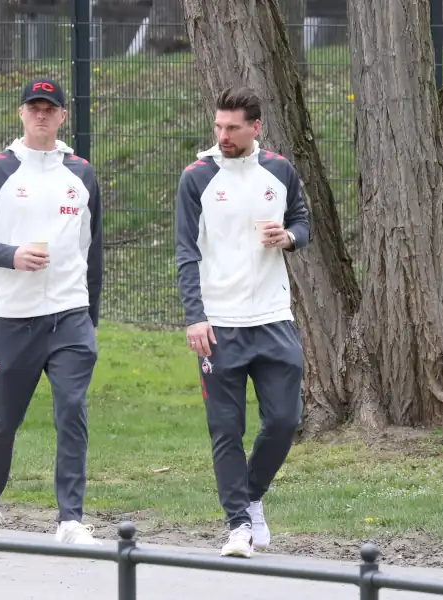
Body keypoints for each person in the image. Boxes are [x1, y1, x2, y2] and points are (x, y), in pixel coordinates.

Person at [0, 77, 104, 546]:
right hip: (12, 317)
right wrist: (10, 255)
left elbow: (90, 250)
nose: (41, 114)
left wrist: (90, 316)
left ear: (62, 115)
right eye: (33, 107)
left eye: (49, 108)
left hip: (70, 315)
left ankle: (70, 520)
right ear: (21, 114)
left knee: (72, 409)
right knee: (4, 419)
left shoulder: (81, 172)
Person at [174, 86, 311, 558]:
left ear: (256, 127)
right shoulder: (196, 177)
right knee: (226, 430)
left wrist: (289, 236)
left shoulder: (280, 170)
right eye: (218, 126)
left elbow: (302, 220)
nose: (223, 135)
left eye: (233, 127)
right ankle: (237, 526)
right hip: (219, 325)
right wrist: (195, 317)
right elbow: (185, 253)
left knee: (284, 420)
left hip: (274, 318)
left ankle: (251, 497)